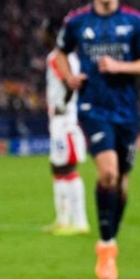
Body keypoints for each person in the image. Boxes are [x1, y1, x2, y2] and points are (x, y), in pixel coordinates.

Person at [53, 0, 140, 279]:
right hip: (92, 109)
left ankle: (110, 239)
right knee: (109, 172)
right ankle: (106, 246)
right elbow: (59, 54)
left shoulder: (135, 21)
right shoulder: (77, 22)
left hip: (126, 112)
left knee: (123, 185)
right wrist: (69, 76)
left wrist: (120, 67)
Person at [41, 17, 90, 236]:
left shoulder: (58, 57)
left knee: (67, 168)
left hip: (65, 119)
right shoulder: (65, 56)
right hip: (59, 120)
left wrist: (65, 104)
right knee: (57, 166)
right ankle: (63, 220)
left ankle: (79, 222)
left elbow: (70, 82)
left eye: (43, 32)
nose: (40, 36)